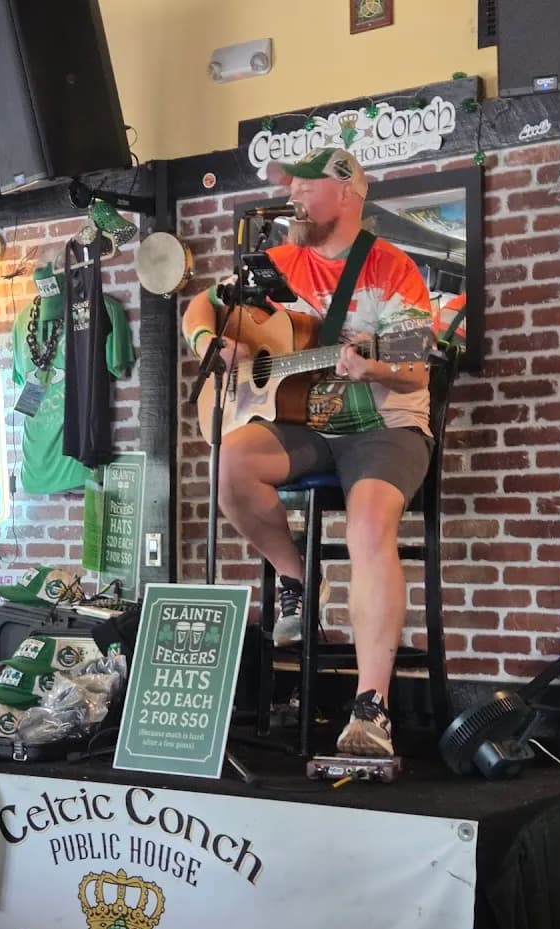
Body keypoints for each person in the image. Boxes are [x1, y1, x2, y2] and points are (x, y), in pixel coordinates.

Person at [182, 147, 434, 758]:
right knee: (230, 464)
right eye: (288, 185)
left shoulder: (392, 269)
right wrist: (210, 343)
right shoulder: (272, 263)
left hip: (384, 425)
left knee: (369, 527)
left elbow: (416, 371)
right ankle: (298, 579)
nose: (292, 194)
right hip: (303, 424)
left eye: (305, 185)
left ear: (347, 193)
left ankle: (370, 708)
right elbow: (200, 306)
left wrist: (372, 364)